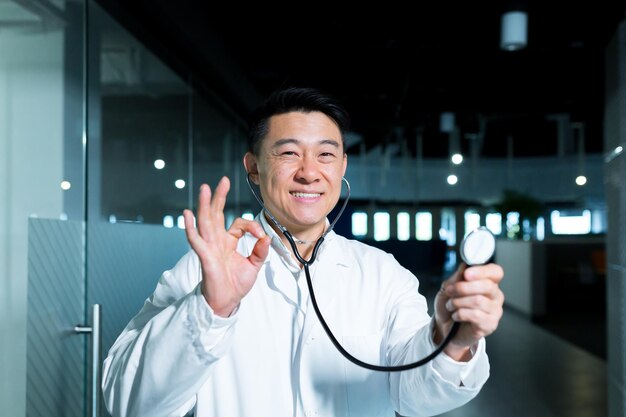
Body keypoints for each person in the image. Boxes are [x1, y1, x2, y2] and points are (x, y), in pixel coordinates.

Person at [102, 86, 505, 417]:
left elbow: (414, 398)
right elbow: (129, 403)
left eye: (326, 154)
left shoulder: (383, 274)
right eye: (288, 152)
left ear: (343, 166)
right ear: (254, 168)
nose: (310, 171)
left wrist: (452, 339)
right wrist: (211, 308)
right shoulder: (202, 273)